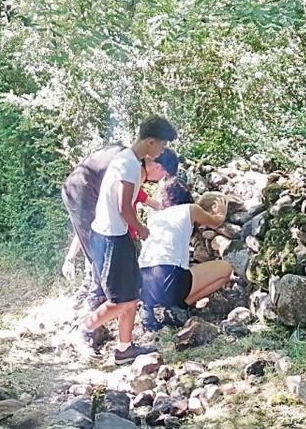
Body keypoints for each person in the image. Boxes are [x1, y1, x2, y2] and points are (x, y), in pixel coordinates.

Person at [79, 116, 177, 364]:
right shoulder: (130, 165)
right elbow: (124, 206)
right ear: (151, 142)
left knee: (131, 295)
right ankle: (85, 329)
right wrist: (141, 228)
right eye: (162, 146)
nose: (161, 152)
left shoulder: (127, 160)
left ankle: (125, 348)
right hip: (111, 237)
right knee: (118, 301)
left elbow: (131, 199)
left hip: (116, 235)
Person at [61, 147, 179, 309]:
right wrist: (140, 229)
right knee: (100, 245)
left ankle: (96, 291)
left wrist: (159, 206)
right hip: (81, 190)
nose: (160, 180)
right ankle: (96, 298)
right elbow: (123, 208)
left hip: (81, 187)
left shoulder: (134, 161)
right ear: (158, 167)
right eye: (164, 176)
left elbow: (137, 196)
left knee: (101, 241)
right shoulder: (134, 168)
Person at [138, 180, 233, 331]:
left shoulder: (155, 218)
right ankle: (179, 306)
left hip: (144, 283)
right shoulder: (190, 209)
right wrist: (221, 211)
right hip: (169, 279)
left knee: (185, 270)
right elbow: (215, 222)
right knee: (226, 269)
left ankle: (165, 308)